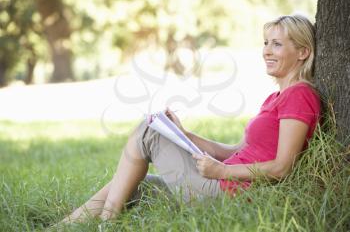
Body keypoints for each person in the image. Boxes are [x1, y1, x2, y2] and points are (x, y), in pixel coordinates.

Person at [59, 14, 320, 224]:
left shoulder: (299, 95)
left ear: (303, 52)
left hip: (231, 195)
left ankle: (107, 224)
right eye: (265, 43)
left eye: (277, 44)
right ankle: (64, 226)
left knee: (147, 131)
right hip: (221, 183)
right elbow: (236, 150)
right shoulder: (274, 98)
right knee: (137, 184)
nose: (267, 51)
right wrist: (183, 135)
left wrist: (222, 171)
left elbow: (282, 167)